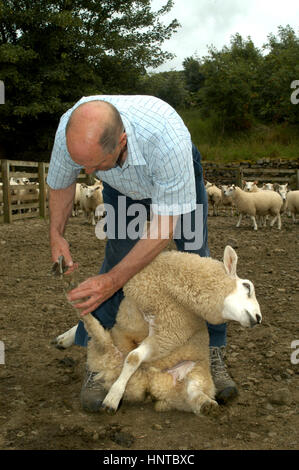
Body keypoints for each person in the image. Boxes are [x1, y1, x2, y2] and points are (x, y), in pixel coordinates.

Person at [47, 95, 238, 412]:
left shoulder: (167, 138)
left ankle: (213, 351)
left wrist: (111, 281)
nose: (90, 174)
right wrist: (56, 234)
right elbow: (61, 182)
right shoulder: (71, 134)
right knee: (118, 259)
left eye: (96, 165)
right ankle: (104, 364)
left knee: (197, 259)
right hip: (122, 187)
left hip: (171, 174)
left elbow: (163, 229)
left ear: (122, 141)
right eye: (84, 165)